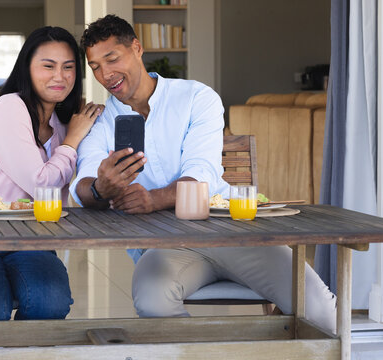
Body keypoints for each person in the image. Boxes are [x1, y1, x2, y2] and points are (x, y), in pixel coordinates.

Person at [69, 15, 337, 333]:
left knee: (319, 309)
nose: (105, 74)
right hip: (165, 247)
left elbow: (202, 173)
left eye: (112, 59)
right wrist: (100, 188)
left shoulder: (197, 97)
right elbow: (81, 185)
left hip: (232, 233)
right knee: (152, 299)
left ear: (137, 48)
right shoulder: (101, 121)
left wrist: (152, 199)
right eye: (95, 66)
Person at [0, 26, 104, 322]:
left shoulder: (63, 122)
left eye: (69, 67)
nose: (60, 76)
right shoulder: (10, 106)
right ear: (26, 68)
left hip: (32, 240)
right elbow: (42, 183)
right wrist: (72, 141)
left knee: (51, 302)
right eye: (48, 65)